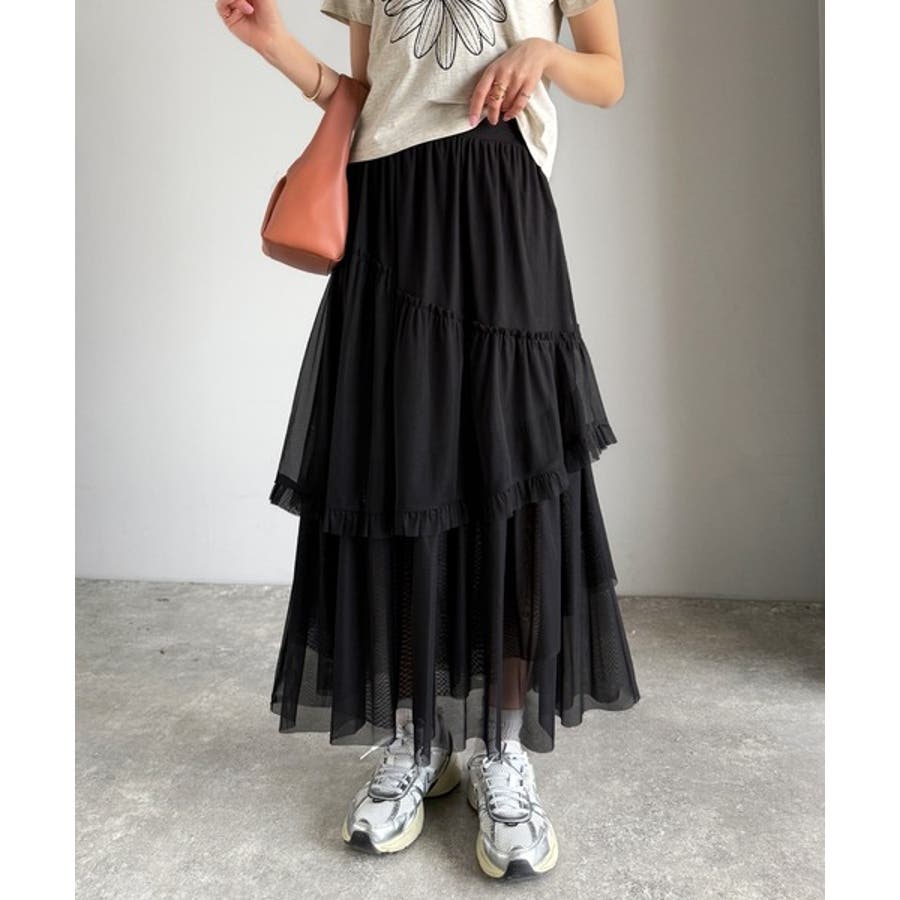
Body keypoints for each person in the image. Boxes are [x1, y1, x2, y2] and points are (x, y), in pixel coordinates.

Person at [216, 0, 639, 880]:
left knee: (516, 478)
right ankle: (417, 742)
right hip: (391, 217)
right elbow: (363, 92)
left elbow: (607, 76)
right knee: (397, 468)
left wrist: (541, 55)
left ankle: (503, 749)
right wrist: (275, 45)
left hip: (501, 206)